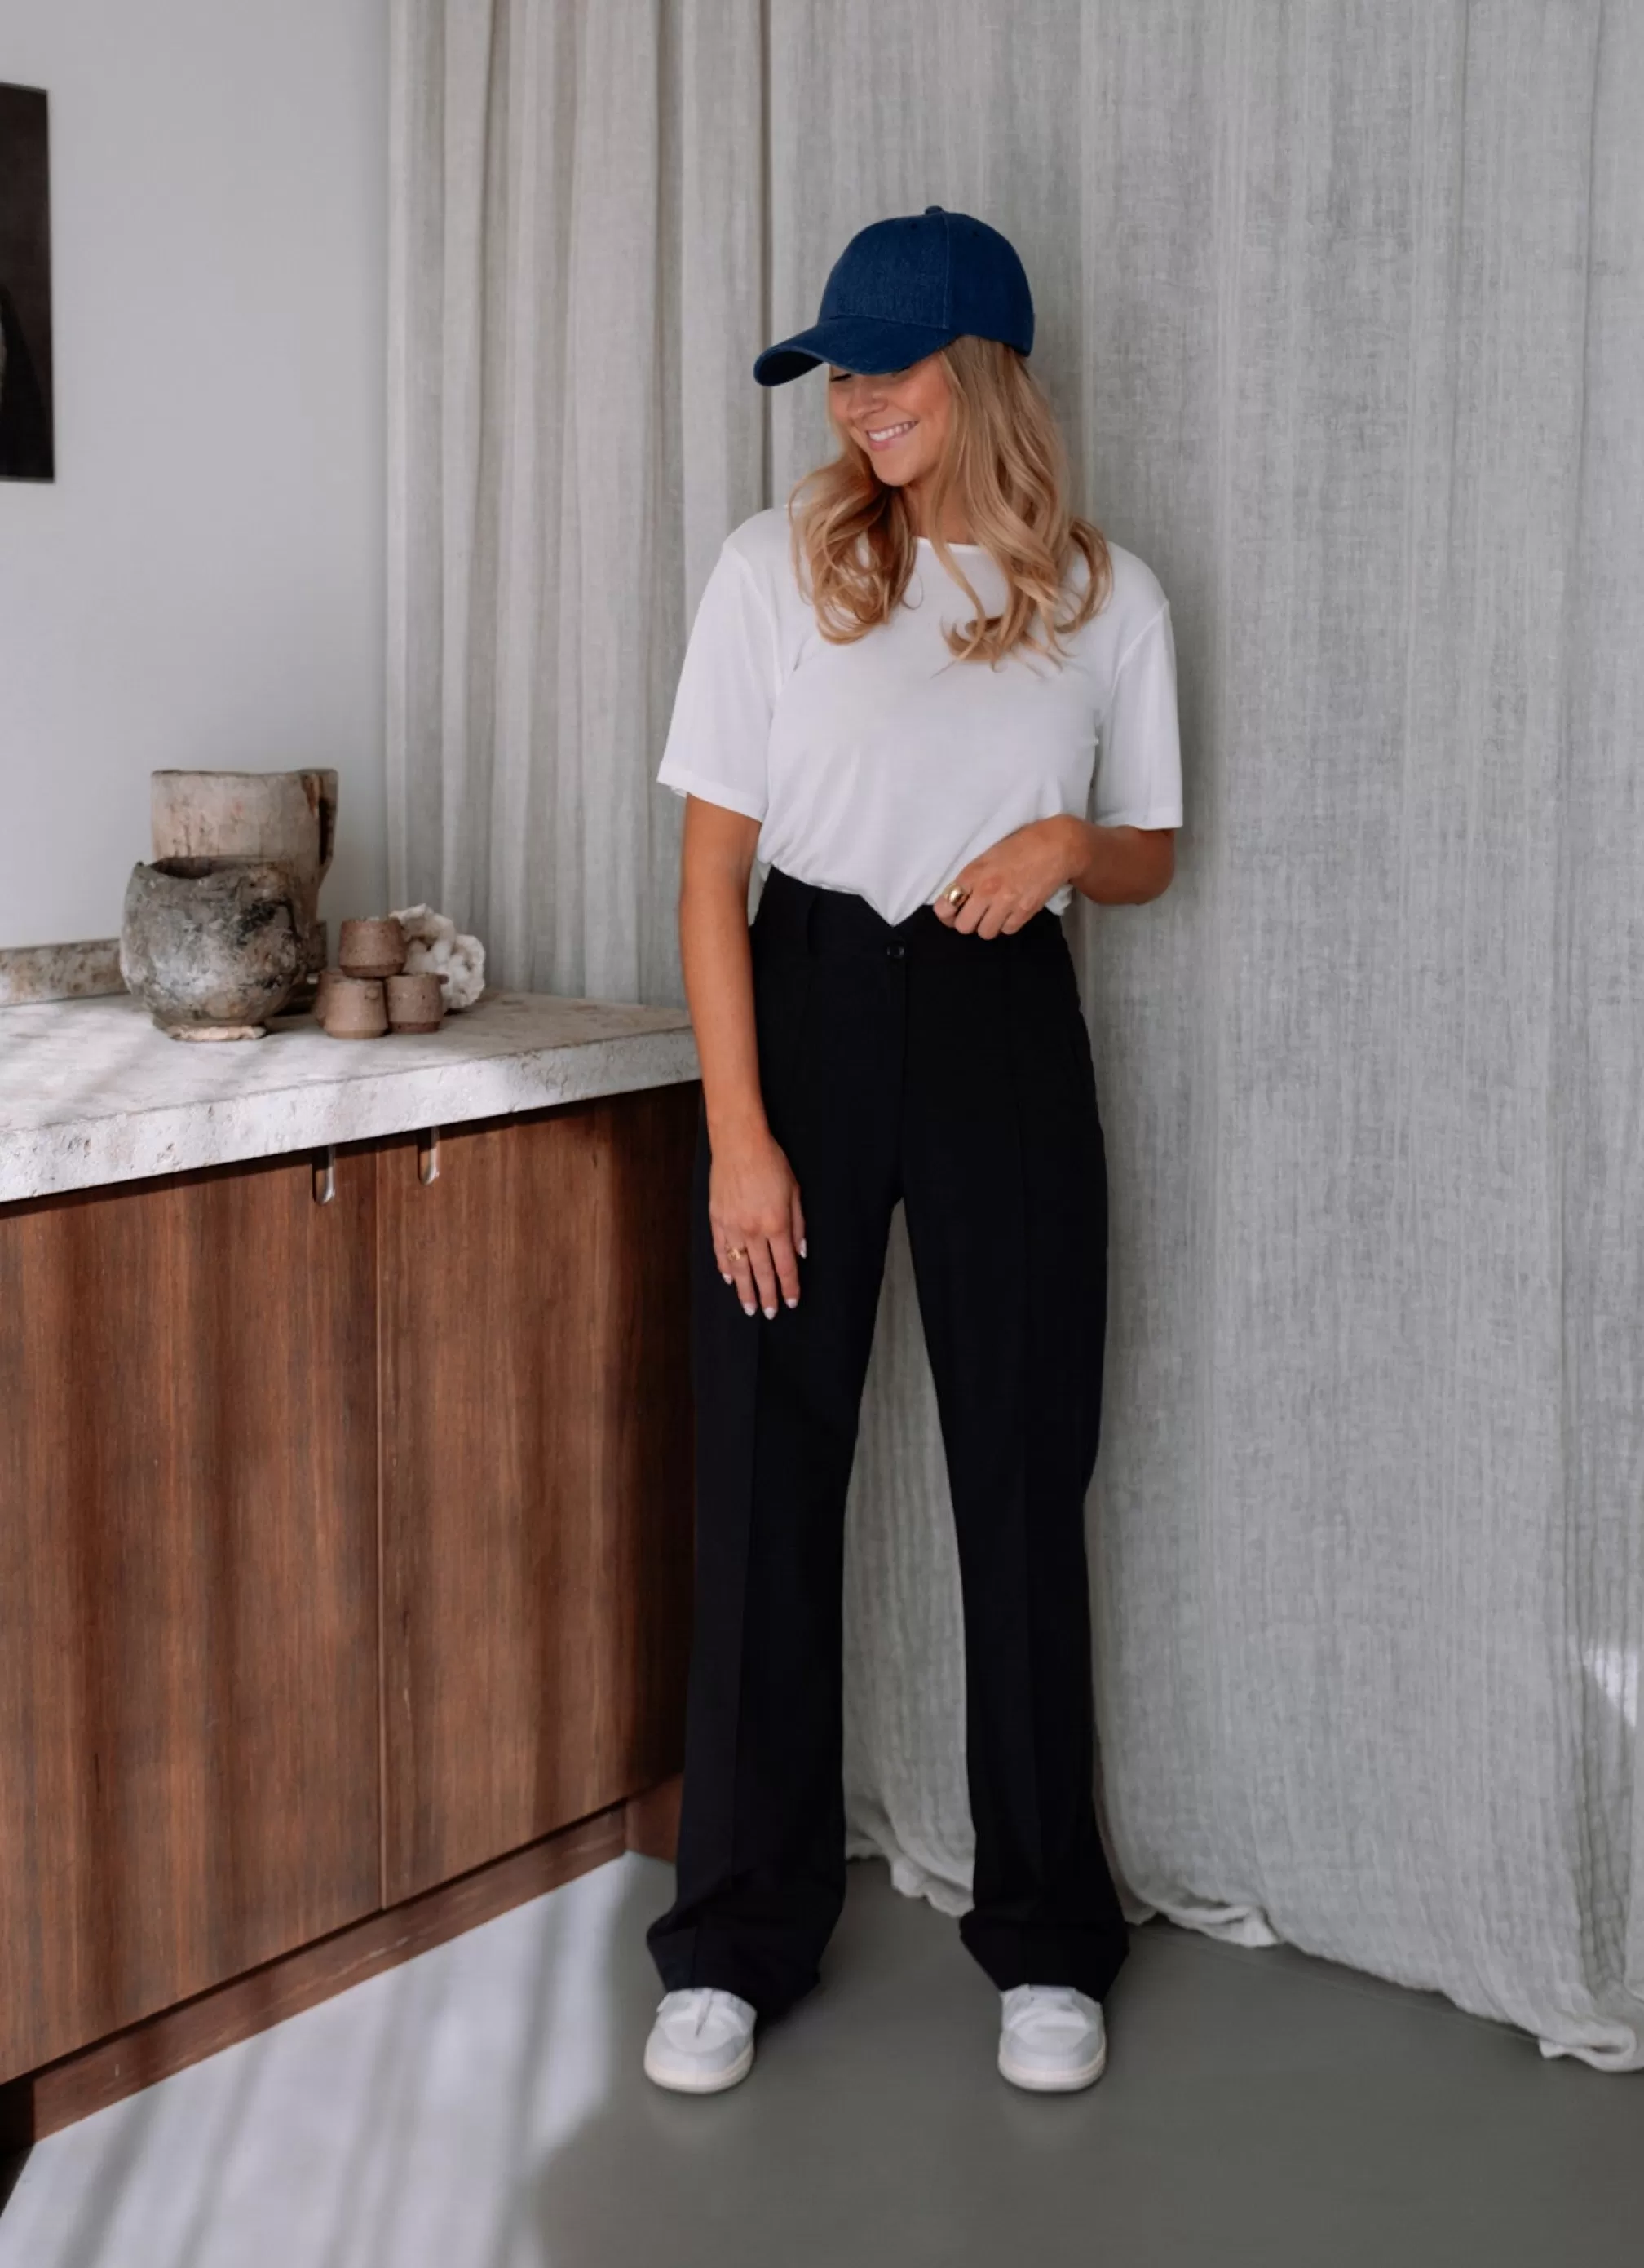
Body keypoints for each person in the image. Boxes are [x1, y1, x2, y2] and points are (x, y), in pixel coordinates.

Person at [642, 205, 1182, 2096]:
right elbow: (710, 873)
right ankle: (732, 1939)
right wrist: (740, 1135)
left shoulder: (1109, 596)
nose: (855, 401)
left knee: (1023, 1471)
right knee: (764, 1481)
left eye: (889, 370)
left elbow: (1152, 847)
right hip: (799, 1012)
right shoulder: (773, 568)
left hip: (1001, 1023)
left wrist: (1070, 850)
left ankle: (1047, 1939)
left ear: (986, 374)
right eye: (837, 373)